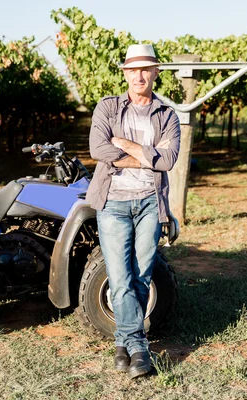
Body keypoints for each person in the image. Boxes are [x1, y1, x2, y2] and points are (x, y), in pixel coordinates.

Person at [86, 43, 181, 379]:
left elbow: (169, 161)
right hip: (112, 202)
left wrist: (125, 145)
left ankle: (123, 342)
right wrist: (147, 155)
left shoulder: (167, 115)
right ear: (125, 73)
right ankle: (138, 346)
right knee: (120, 277)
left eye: (146, 69)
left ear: (156, 73)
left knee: (141, 275)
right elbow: (98, 148)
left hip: (149, 204)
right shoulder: (108, 107)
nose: (139, 75)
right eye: (133, 69)